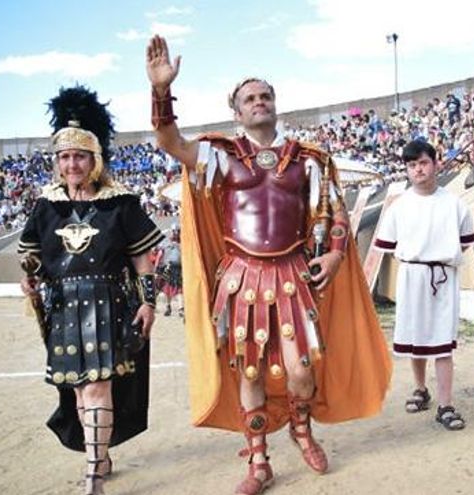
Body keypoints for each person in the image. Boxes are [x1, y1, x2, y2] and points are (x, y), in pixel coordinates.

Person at [145, 35, 391, 495]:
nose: (259, 103)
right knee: (251, 370)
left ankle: (301, 429)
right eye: (250, 99)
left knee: (301, 369)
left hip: (294, 273)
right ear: (236, 112)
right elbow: (169, 142)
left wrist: (336, 253)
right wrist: (161, 91)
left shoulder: (309, 160)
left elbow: (336, 211)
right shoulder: (220, 153)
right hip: (241, 276)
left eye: (265, 96)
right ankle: (259, 463)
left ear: (275, 104)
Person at [18, 85, 164, 495]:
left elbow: (141, 258)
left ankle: (93, 475)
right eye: (64, 157)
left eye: (79, 156)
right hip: (63, 307)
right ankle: (99, 456)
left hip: (109, 304)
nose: (71, 164)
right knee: (81, 392)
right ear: (57, 162)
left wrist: (148, 302)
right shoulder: (46, 206)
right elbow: (30, 256)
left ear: (95, 159)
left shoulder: (120, 203)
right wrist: (28, 275)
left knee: (99, 386)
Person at [373, 139, 474, 431]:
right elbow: (389, 245)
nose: (418, 169)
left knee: (442, 343)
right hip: (412, 277)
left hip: (442, 277)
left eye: (423, 162)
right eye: (412, 165)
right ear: (407, 169)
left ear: (435, 163)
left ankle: (446, 404)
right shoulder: (399, 206)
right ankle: (421, 388)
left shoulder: (453, 203)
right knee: (416, 340)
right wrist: (418, 260)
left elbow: (466, 242)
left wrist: (439, 257)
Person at [156, 225, 183, 317]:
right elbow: (159, 253)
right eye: (174, 231)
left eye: (177, 231)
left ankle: (180, 309)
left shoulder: (183, 243)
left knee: (179, 289)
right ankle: (168, 307)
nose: (175, 233)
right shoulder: (165, 243)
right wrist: (157, 268)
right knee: (167, 289)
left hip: (178, 268)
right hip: (167, 267)